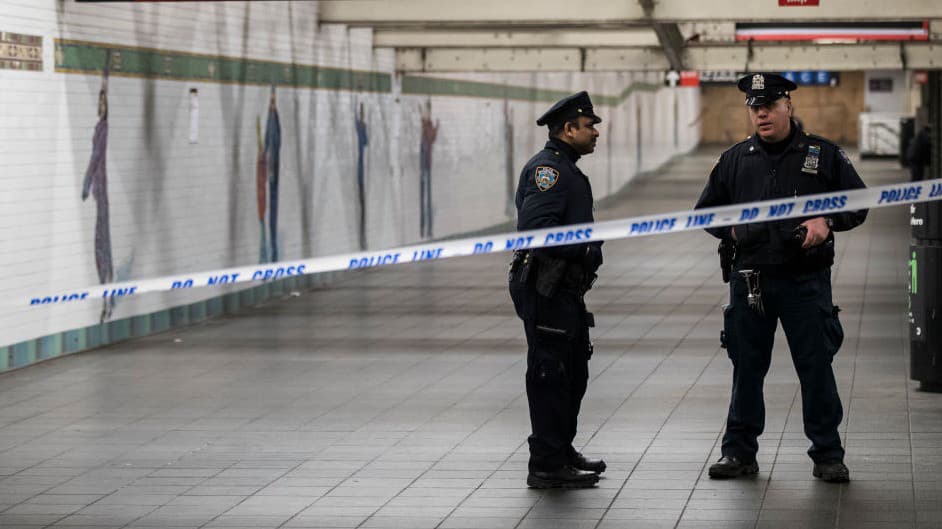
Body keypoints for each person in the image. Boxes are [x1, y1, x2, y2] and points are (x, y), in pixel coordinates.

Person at [694, 73, 868, 483]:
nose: (762, 114)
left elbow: (859, 204)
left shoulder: (822, 155)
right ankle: (739, 453)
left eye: (770, 105)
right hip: (750, 280)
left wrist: (827, 221)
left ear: (788, 105)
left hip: (804, 282)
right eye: (755, 108)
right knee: (747, 369)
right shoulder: (736, 159)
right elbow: (706, 212)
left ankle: (827, 454)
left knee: (815, 367)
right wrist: (731, 230)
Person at [508, 91, 605, 489]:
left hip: (565, 289)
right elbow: (535, 230)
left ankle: (561, 449)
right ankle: (546, 463)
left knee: (574, 373)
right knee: (551, 374)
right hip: (546, 288)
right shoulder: (548, 170)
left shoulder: (566, 166)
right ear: (568, 129)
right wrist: (583, 247)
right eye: (589, 126)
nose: (596, 132)